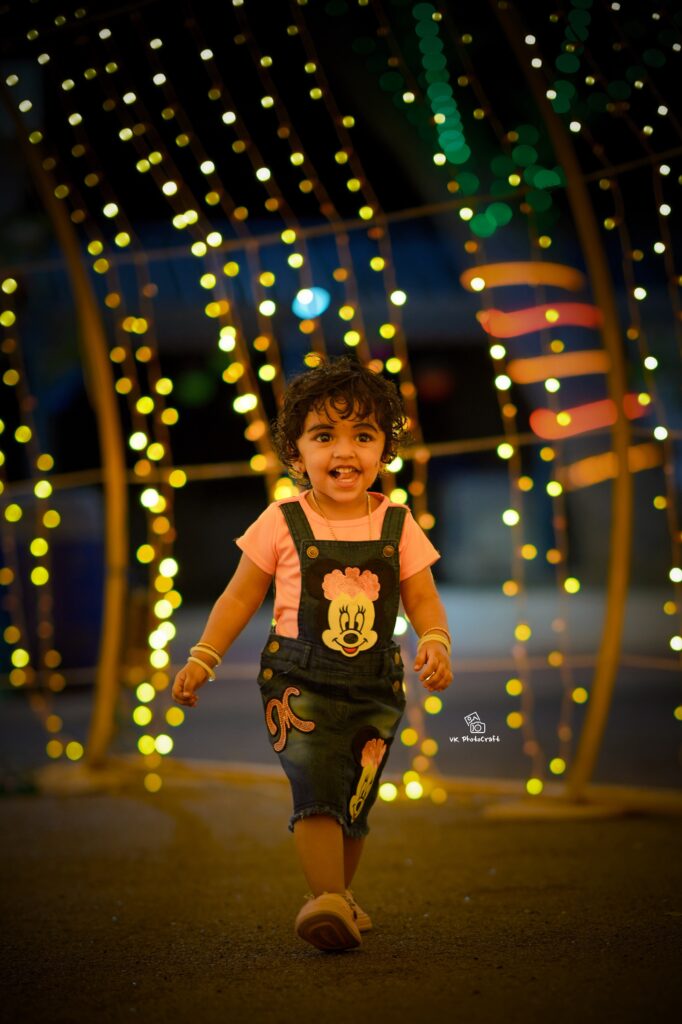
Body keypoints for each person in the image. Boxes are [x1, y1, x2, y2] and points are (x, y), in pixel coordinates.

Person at [172, 356, 453, 952]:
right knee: (317, 786)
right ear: (296, 454)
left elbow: (423, 597)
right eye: (324, 436)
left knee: (354, 797)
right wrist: (203, 655)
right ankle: (324, 896)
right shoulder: (281, 521)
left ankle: (338, 898)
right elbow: (239, 596)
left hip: (376, 683)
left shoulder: (398, 523)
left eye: (363, 436)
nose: (344, 451)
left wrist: (435, 640)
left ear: (384, 450)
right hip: (298, 681)